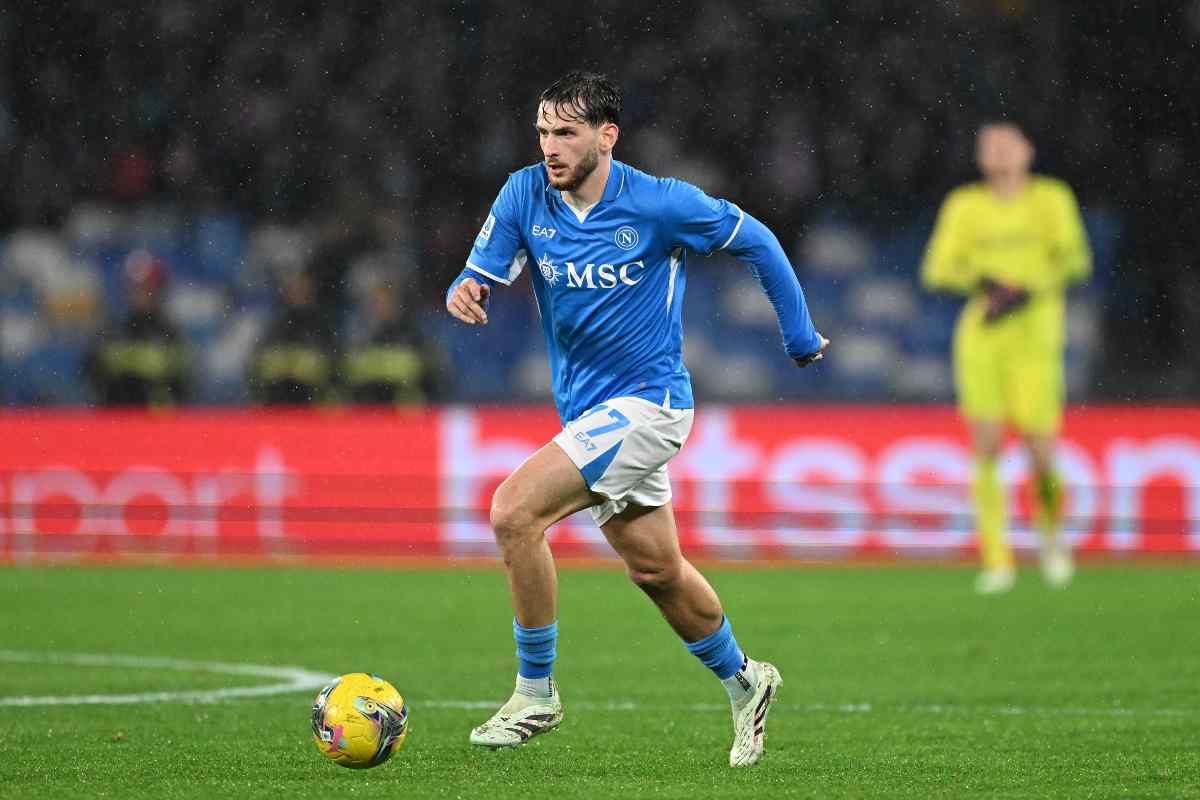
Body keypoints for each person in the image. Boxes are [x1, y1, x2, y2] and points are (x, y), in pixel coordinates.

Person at [445, 71, 828, 766]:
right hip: (590, 413)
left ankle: (535, 692)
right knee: (656, 571)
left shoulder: (659, 203)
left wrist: (798, 334)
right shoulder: (524, 194)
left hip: (651, 406)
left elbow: (759, 241)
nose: (549, 147)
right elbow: (480, 272)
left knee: (513, 513)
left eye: (566, 133)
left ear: (606, 136)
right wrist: (465, 288)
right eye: (542, 132)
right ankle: (747, 680)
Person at [920, 122, 1092, 595]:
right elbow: (937, 268)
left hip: (1036, 339)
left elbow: (1076, 259)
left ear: (1028, 151)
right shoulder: (964, 205)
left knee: (1041, 449)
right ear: (979, 157)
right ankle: (997, 560)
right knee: (987, 444)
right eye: (989, 146)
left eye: (1007, 144)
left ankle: (1052, 542)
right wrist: (984, 282)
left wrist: (1029, 288)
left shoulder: (1051, 199)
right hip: (983, 338)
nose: (998, 152)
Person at [86, 249, 190, 407]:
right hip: (116, 413)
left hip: (156, 416)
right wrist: (144, 362)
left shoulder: (169, 330)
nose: (141, 294)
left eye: (147, 287)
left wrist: (128, 360)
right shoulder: (114, 327)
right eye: (136, 288)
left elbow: (182, 374)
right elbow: (94, 366)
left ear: (159, 290)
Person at [249, 269, 334, 405]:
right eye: (294, 289)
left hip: (311, 403)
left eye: (302, 289)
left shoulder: (320, 324)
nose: (297, 294)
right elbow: (259, 361)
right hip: (276, 401)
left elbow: (330, 363)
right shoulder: (276, 323)